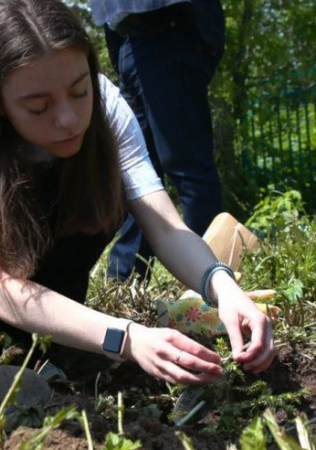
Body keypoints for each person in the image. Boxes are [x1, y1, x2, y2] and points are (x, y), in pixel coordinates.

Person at [0, 0, 275, 385]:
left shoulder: (107, 106)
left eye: (80, 91)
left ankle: (41, 343)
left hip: (23, 283)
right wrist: (126, 338)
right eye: (38, 107)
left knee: (102, 188)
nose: (68, 118)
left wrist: (225, 289)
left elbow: (165, 228)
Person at [91, 0, 226, 281]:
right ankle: (125, 277)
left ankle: (210, 281)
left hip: (169, 29)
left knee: (186, 164)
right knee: (136, 170)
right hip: (129, 40)